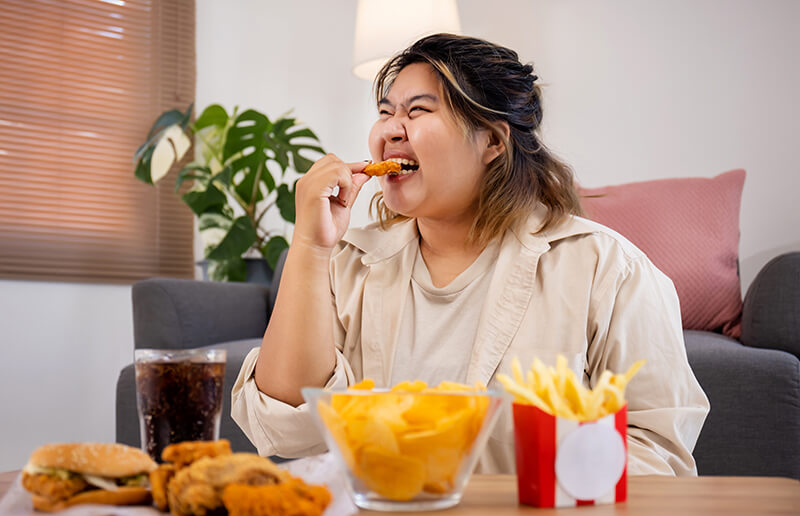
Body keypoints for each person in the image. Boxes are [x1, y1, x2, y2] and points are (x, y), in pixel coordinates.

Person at [231, 33, 709, 475]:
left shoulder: (608, 269)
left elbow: (659, 453)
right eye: (384, 111)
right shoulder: (347, 264)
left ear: (493, 142)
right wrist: (311, 246)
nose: (391, 131)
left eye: (417, 111)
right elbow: (286, 428)